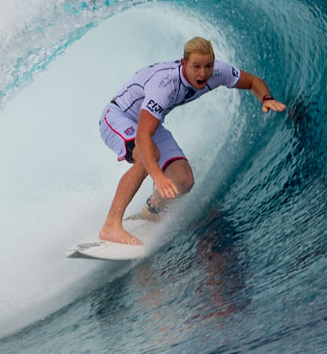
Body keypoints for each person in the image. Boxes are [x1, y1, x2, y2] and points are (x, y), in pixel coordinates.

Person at [97, 36, 286, 245]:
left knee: (184, 181)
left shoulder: (217, 72)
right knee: (147, 156)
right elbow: (142, 136)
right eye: (196, 66)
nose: (203, 73)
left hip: (151, 122)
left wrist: (266, 98)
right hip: (118, 117)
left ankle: (152, 210)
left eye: (208, 66)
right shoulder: (164, 85)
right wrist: (158, 176)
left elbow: (252, 81)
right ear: (184, 63)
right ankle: (111, 225)